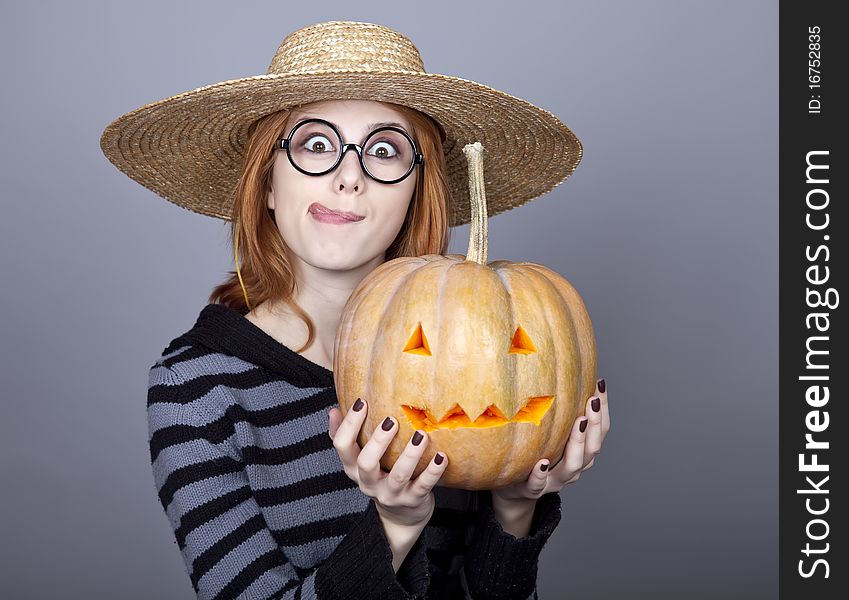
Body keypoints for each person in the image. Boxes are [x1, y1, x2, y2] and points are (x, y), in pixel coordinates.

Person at [101, 20, 610, 600]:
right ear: (267, 181)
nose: (348, 178)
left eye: (384, 150)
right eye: (316, 144)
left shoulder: (474, 363)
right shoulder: (193, 388)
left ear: (418, 189)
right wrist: (395, 523)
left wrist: (515, 503)